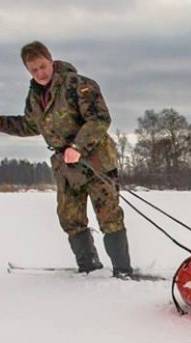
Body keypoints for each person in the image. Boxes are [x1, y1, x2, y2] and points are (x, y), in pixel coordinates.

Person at [0, 41, 133, 278]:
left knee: (109, 216)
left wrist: (78, 146)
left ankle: (123, 271)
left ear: (50, 60)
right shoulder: (34, 96)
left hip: (95, 160)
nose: (40, 73)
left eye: (42, 66)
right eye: (33, 70)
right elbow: (30, 124)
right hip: (66, 167)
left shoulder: (79, 85)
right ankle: (88, 267)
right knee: (69, 217)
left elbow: (99, 119)